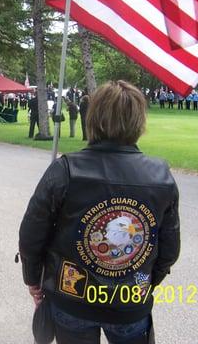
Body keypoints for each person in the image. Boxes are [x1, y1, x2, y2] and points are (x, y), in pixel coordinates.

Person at [19, 80, 180, 344]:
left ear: (93, 118)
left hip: (72, 298)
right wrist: (146, 283)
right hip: (127, 302)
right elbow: (169, 249)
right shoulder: (161, 175)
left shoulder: (65, 170)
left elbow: (31, 237)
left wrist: (33, 279)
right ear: (138, 121)